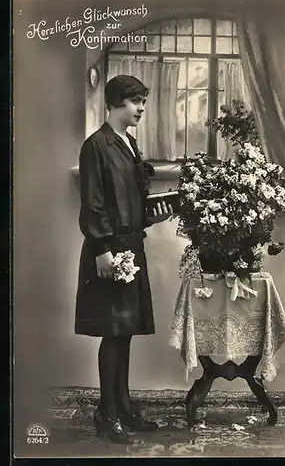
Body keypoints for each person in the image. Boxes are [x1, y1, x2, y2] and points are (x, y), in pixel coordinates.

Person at [75, 75, 173, 444]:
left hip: (132, 247)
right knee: (113, 334)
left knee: (125, 333)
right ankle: (107, 414)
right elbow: (93, 204)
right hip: (110, 250)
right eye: (136, 101)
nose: (142, 108)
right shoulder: (96, 146)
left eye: (143, 101)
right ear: (115, 103)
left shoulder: (128, 144)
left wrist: (153, 212)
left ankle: (124, 408)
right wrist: (102, 249)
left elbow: (130, 202)